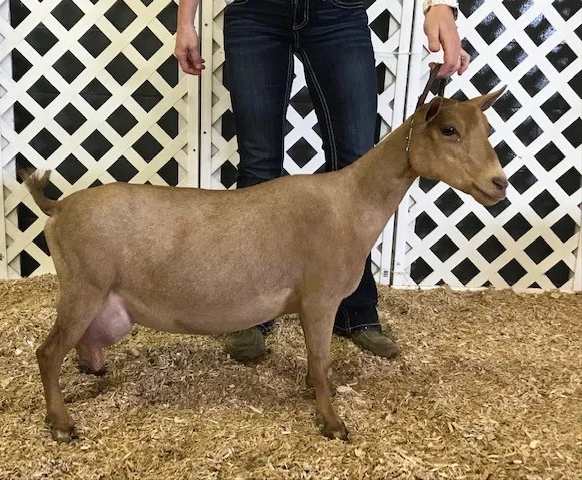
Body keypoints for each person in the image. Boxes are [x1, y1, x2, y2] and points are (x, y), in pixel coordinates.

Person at [175, 0, 470, 362]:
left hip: (338, 12)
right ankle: (250, 312)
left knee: (358, 164)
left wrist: (440, 6)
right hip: (256, 12)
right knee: (258, 165)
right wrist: (185, 20)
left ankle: (354, 309)